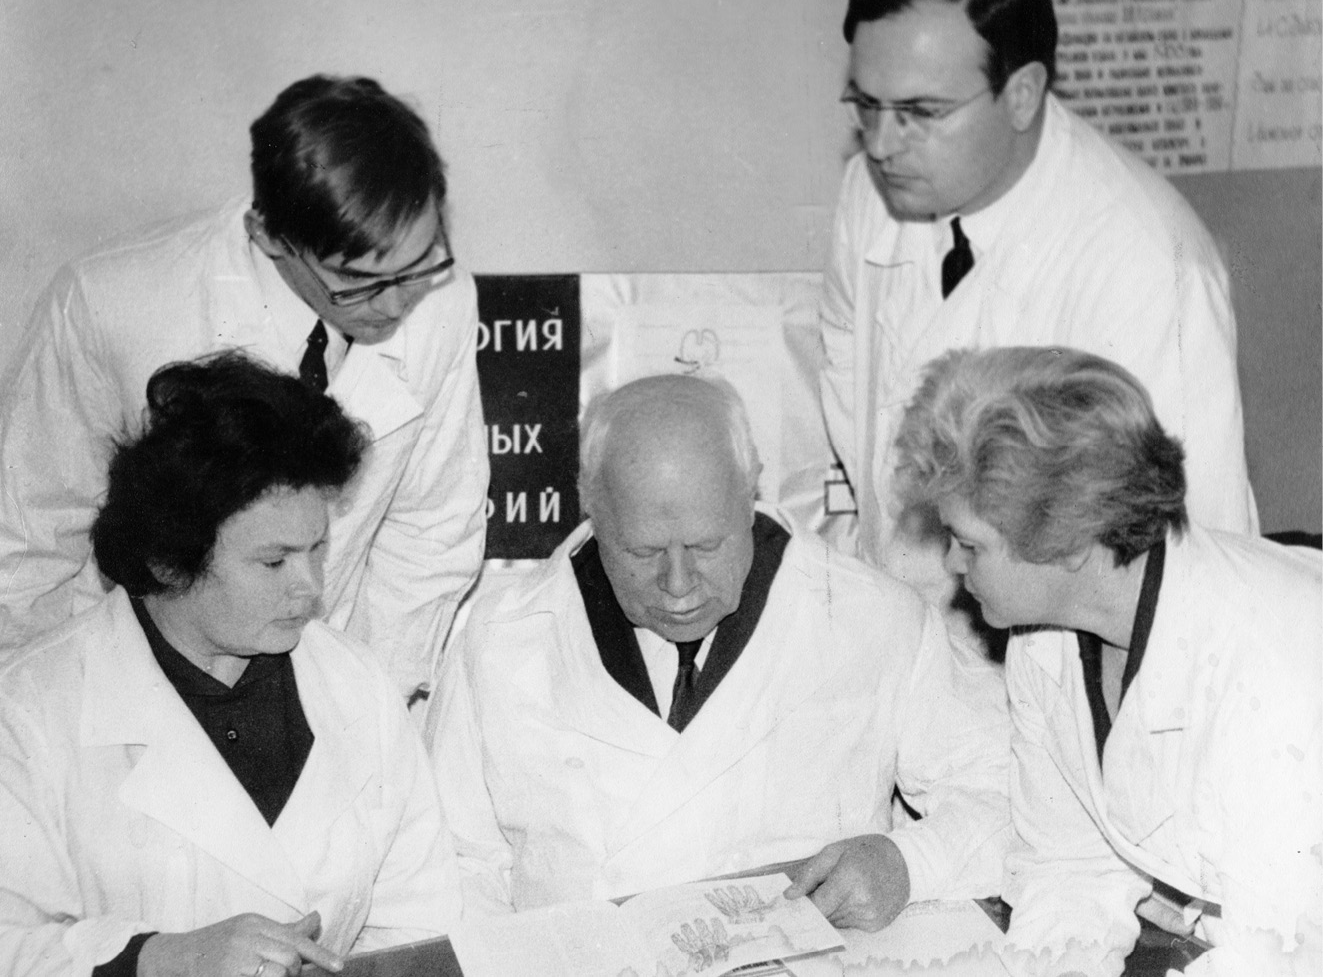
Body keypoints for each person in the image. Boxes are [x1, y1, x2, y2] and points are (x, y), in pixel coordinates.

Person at [429, 374, 1009, 929]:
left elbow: (1009, 796)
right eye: (642, 552)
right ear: (591, 508)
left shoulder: (874, 617)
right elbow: (452, 865)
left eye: (707, 546)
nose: (678, 584)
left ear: (750, 491)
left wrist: (908, 865)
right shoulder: (502, 639)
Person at [0, 74, 488, 703]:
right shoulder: (109, 304)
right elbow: (30, 544)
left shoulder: (442, 301)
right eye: (357, 281)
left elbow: (431, 530)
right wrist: (38, 715)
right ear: (269, 236)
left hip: (326, 682)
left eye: (418, 266)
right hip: (132, 686)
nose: (397, 305)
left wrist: (361, 712)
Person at [819, 0, 1257, 603]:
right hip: (898, 619)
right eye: (867, 106)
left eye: (919, 113)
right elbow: (846, 386)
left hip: (1046, 650)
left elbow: (1195, 561)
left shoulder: (1147, 265)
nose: (880, 145)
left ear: (1021, 94)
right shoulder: (870, 189)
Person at [0, 352, 463, 977]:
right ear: (170, 561)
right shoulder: (30, 710)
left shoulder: (356, 686)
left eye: (317, 549)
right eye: (274, 562)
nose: (310, 587)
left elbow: (417, 923)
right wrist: (155, 958)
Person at [891, 346, 1321, 977]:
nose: (952, 564)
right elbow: (1069, 866)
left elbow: (1280, 959)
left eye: (970, 544)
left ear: (1066, 540)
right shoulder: (1045, 639)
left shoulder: (1275, 675)